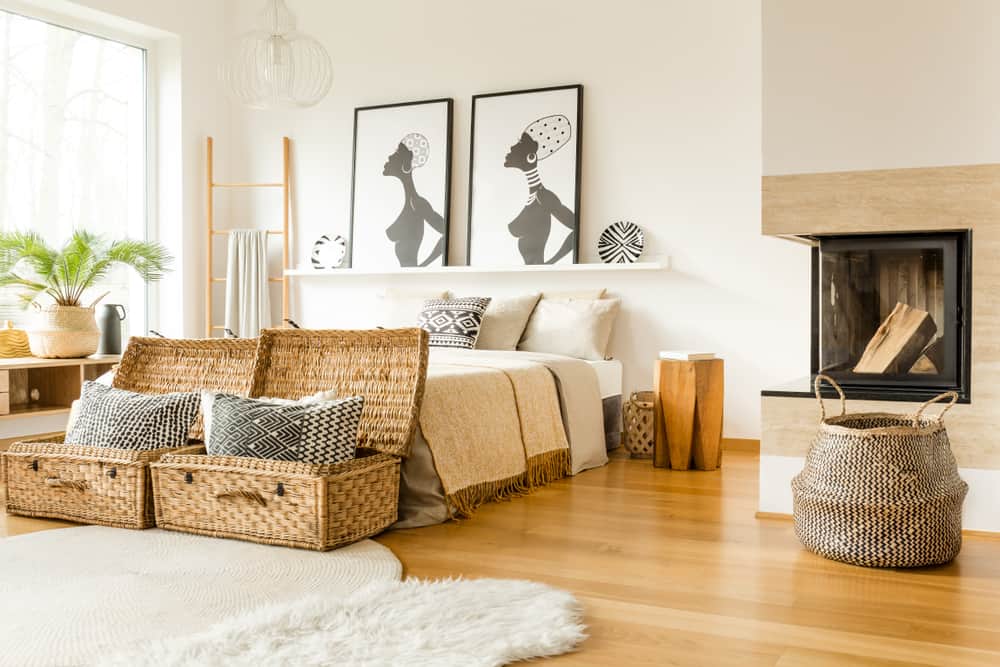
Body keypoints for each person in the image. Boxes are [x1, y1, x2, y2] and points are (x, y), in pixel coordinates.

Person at [504, 115, 576, 265]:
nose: (511, 148)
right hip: (528, 278)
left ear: (530, 157)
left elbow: (576, 229)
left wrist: (551, 263)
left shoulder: (544, 197)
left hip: (539, 276)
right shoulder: (530, 196)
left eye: (520, 143)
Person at [383, 133, 445, 267]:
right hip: (403, 279)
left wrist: (422, 267)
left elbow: (447, 233)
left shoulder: (417, 203)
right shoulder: (404, 201)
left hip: (410, 279)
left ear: (406, 161)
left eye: (397, 152)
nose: (390, 156)